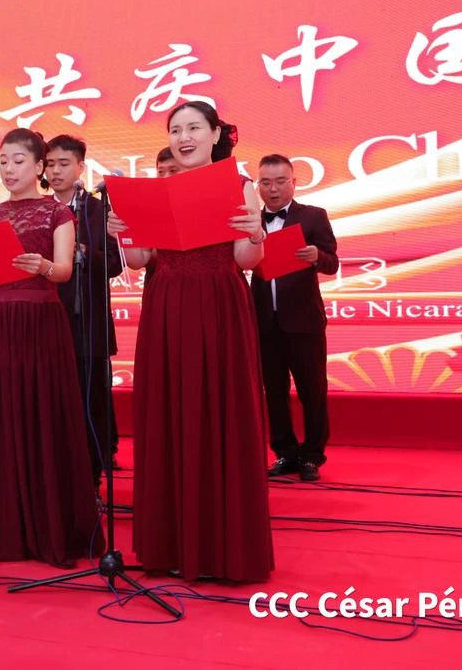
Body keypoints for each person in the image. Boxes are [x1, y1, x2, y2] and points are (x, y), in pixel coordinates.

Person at [116, 101, 273, 582]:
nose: (184, 138)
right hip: (166, 304)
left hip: (218, 304)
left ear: (215, 135)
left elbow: (245, 260)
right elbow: (140, 260)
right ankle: (169, 545)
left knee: (220, 411)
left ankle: (223, 548)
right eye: (175, 130)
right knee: (169, 411)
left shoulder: (239, 185)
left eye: (193, 128)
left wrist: (257, 234)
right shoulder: (156, 190)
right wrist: (124, 234)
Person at [0, 128, 100, 567]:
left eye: (18, 161)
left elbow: (63, 271)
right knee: (2, 419)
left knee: (43, 417)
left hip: (40, 321)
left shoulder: (57, 212)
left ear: (39, 166)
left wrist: (42, 266)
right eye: (3, 161)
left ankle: (51, 527)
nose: (8, 169)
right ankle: (10, 529)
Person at [253, 154, 339, 482]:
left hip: (304, 322)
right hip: (264, 322)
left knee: (312, 391)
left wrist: (317, 257)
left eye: (280, 182)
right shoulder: (250, 220)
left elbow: (332, 262)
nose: (273, 189)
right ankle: (285, 452)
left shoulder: (313, 216)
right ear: (258, 185)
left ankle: (312, 455)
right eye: (266, 182)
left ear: (293, 182)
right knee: (273, 391)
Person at [45, 135, 124, 485]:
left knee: (90, 405)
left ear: (80, 167)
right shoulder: (39, 210)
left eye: (64, 164)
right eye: (50, 164)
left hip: (88, 322)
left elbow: (117, 263)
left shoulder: (97, 209)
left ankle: (91, 482)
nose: (56, 171)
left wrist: (82, 252)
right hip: (47, 323)